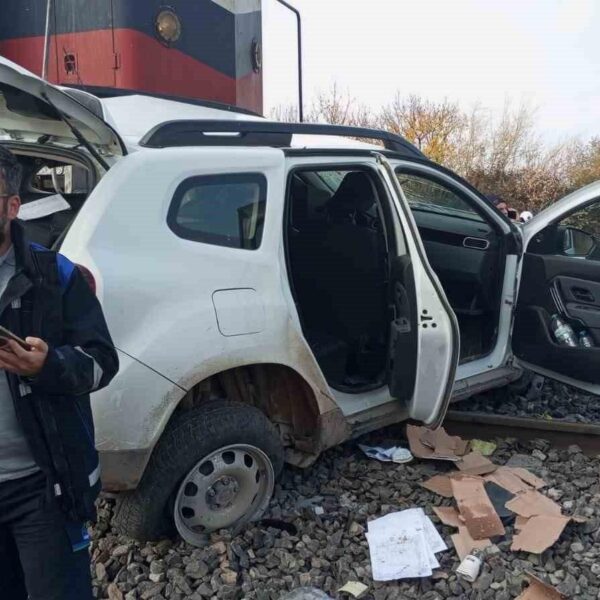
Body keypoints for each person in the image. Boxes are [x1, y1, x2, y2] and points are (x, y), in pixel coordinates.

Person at [0, 146, 119, 600]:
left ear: (12, 206)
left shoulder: (56, 277)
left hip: (40, 490)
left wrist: (48, 366)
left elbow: (102, 362)